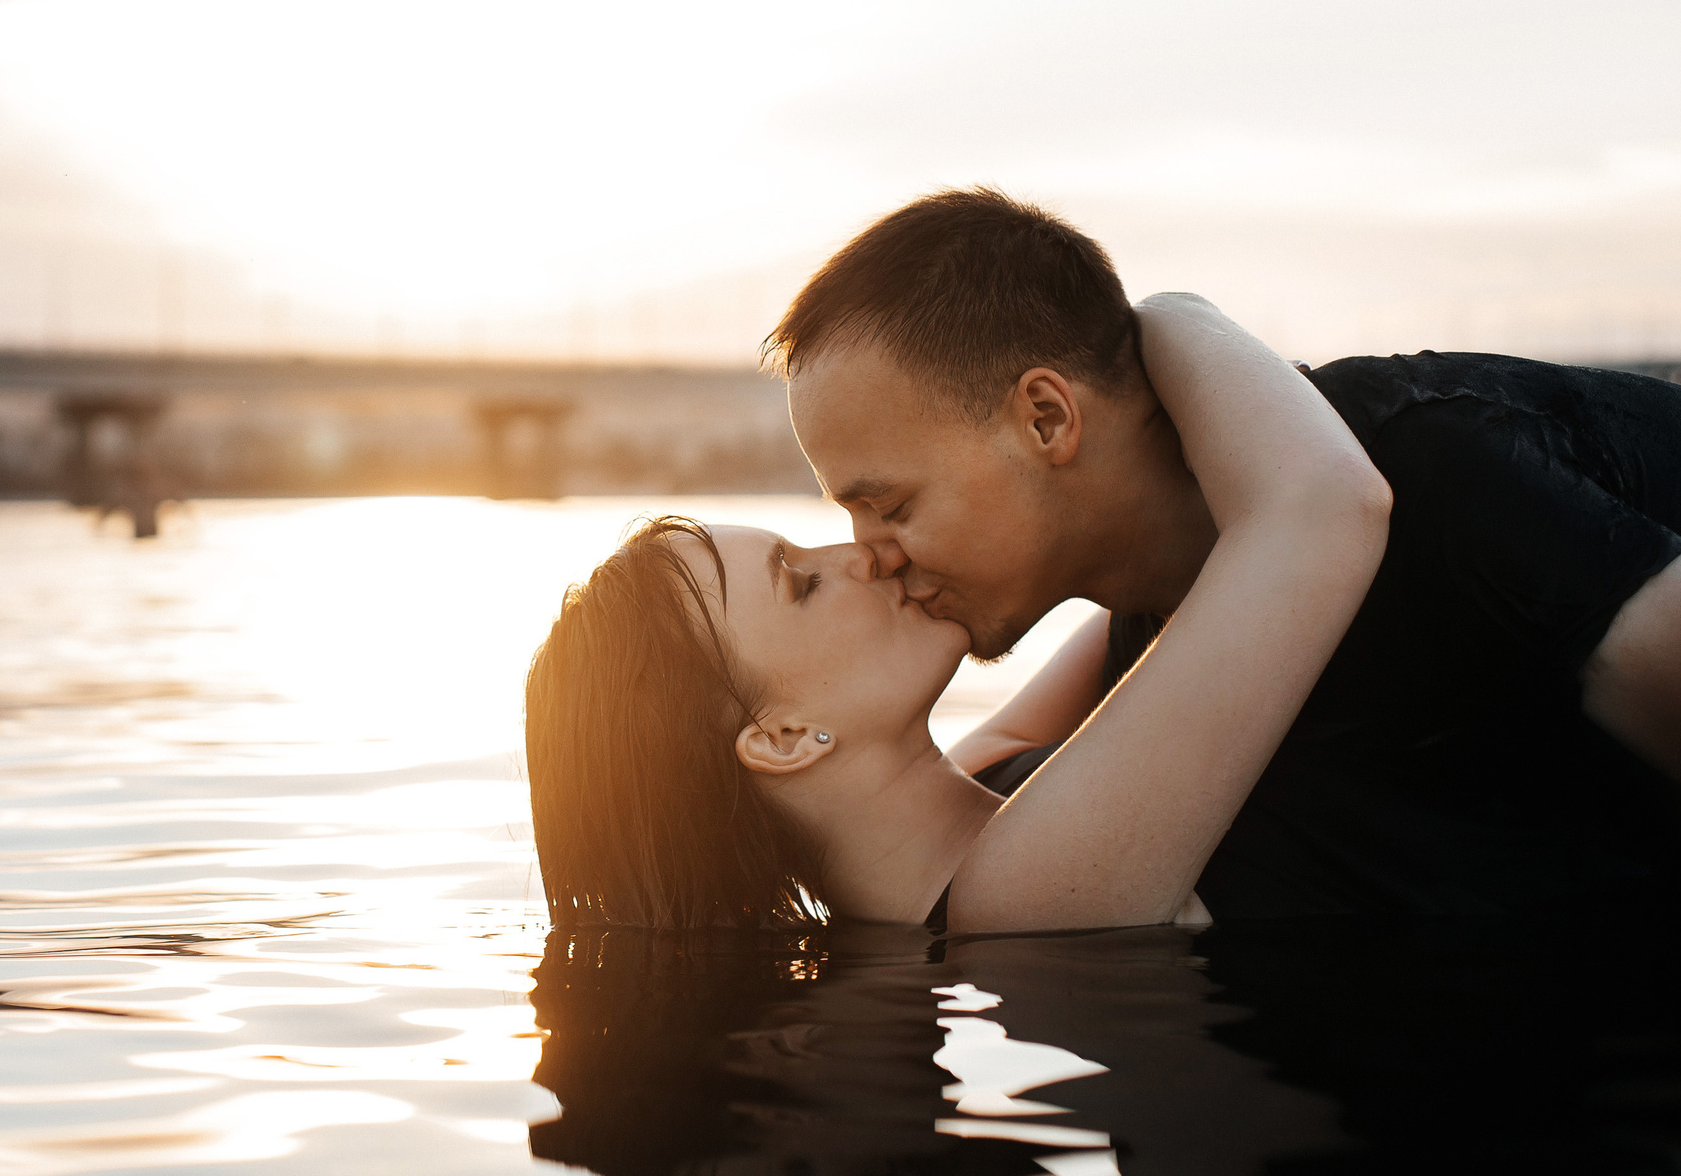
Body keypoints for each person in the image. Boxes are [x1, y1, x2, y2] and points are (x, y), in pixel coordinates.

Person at [778, 188, 1681, 920]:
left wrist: (1170, 314)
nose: (871, 555)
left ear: (1046, 417)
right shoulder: (1160, 645)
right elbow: (977, 784)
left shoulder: (1432, 475)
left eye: (889, 504)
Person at [525, 292, 1392, 932]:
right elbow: (1318, 509)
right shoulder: (1022, 898)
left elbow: (1161, 597)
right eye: (802, 580)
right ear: (782, 736)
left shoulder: (983, 788)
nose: (862, 552)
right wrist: (1146, 321)